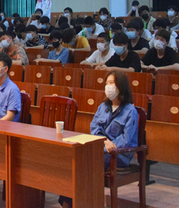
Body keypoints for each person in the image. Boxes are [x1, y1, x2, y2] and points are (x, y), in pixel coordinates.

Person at [59, 70, 139, 208]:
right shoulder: (103, 107)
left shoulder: (130, 111)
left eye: (112, 83)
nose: (108, 86)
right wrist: (104, 141)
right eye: (107, 83)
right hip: (101, 148)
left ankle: (71, 203)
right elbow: (95, 127)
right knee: (77, 157)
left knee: (86, 162)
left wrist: (108, 146)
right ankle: (73, 202)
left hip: (119, 155)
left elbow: (126, 138)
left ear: (120, 86)